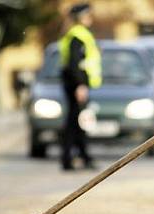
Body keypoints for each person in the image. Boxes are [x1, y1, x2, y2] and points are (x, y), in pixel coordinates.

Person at [59, 3, 101, 171]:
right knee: (75, 122)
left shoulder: (78, 34)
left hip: (76, 85)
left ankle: (79, 156)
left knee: (77, 122)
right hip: (77, 86)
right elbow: (74, 64)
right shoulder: (78, 36)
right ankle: (70, 158)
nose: (90, 18)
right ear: (81, 18)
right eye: (87, 15)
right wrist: (81, 85)